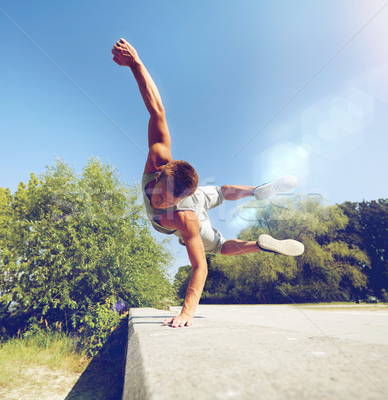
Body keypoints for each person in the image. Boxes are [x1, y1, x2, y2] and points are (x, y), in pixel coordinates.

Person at [111, 38, 304, 328]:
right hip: (197, 194)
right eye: (162, 194)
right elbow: (157, 110)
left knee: (219, 246)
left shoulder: (184, 218)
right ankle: (258, 216)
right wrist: (136, 64)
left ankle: (258, 216)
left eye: (167, 201)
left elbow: (200, 267)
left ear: (180, 200)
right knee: (221, 197)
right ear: (162, 172)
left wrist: (187, 312)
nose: (160, 202)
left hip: (195, 207)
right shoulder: (157, 158)